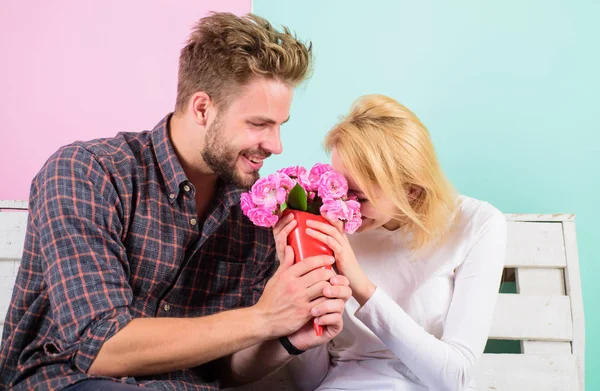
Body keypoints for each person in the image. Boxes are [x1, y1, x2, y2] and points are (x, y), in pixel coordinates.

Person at [0, 13, 352, 391]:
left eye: (280, 125)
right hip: (70, 381)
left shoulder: (254, 213)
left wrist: (289, 334)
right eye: (258, 124)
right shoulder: (88, 173)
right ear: (202, 108)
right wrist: (264, 317)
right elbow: (102, 347)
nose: (275, 145)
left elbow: (227, 370)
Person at [275, 94, 507, 390]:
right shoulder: (327, 221)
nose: (340, 206)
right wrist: (300, 289)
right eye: (336, 187)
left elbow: (455, 377)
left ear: (411, 191)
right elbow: (312, 381)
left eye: (357, 196)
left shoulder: (476, 223)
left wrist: (360, 286)